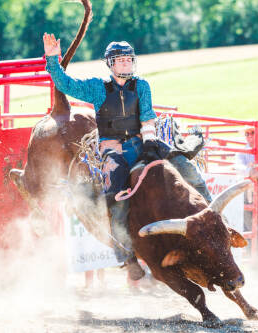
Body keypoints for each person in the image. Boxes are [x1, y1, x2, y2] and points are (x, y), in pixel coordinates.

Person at [43, 33, 212, 280]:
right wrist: (51, 59)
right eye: (120, 60)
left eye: (128, 59)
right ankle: (127, 257)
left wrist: (151, 142)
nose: (126, 64)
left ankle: (213, 215)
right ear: (110, 64)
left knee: (186, 168)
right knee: (117, 199)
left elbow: (146, 115)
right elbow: (66, 84)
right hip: (113, 150)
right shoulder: (96, 88)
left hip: (142, 142)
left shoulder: (141, 86)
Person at [235, 126, 258, 235]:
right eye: (247, 134)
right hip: (248, 189)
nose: (249, 136)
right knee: (247, 217)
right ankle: (251, 243)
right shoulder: (242, 151)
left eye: (252, 133)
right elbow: (238, 166)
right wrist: (250, 171)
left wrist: (256, 170)